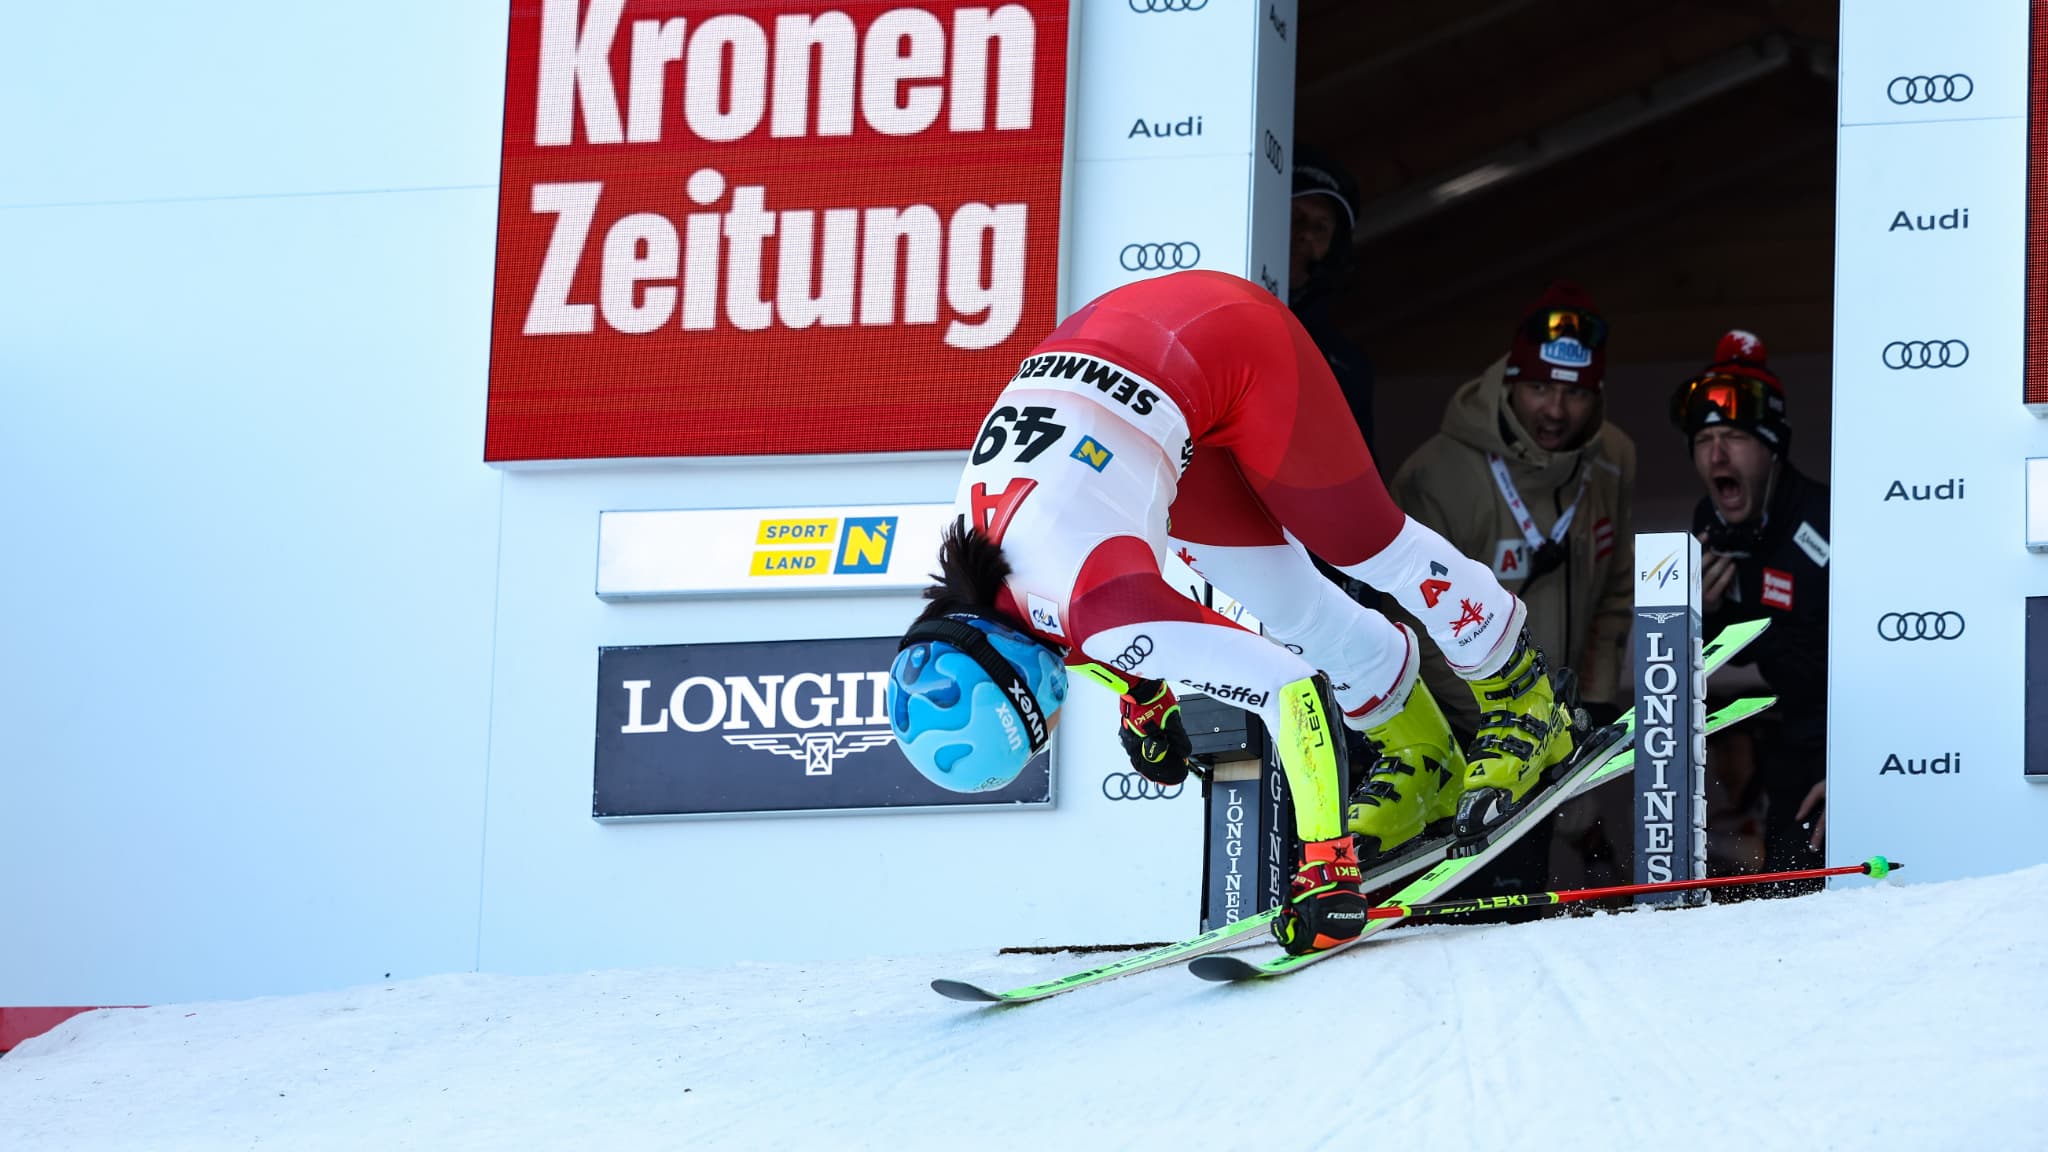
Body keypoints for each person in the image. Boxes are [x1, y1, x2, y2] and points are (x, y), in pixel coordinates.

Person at [886, 270, 1583, 956]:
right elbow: (1059, 624)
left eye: (1047, 725)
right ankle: (1420, 753)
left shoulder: (1095, 611)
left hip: (1228, 336)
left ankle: (1524, 695)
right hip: (1146, 381)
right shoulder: (976, 585)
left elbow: (1290, 689)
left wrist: (1327, 864)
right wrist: (1142, 696)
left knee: (1360, 540)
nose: (1061, 721)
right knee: (1286, 603)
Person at [1381, 284, 1634, 903]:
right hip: (1466, 739)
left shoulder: (1612, 461)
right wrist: (1497, 726)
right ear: (1509, 382)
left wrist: (1585, 723)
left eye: (1574, 393)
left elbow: (1614, 598)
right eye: (1541, 388)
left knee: (1519, 910)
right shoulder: (1436, 473)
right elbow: (1403, 626)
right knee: (1453, 912)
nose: (1556, 409)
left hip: (1551, 736)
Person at [1673, 329, 1829, 892]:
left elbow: (1879, 662)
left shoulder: (1828, 522)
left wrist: (1859, 772)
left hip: (1841, 748)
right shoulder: (1707, 523)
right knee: (1776, 893)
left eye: (1735, 436)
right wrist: (1704, 616)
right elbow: (1694, 666)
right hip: (1774, 744)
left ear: (1772, 448)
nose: (1717, 454)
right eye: (1704, 438)